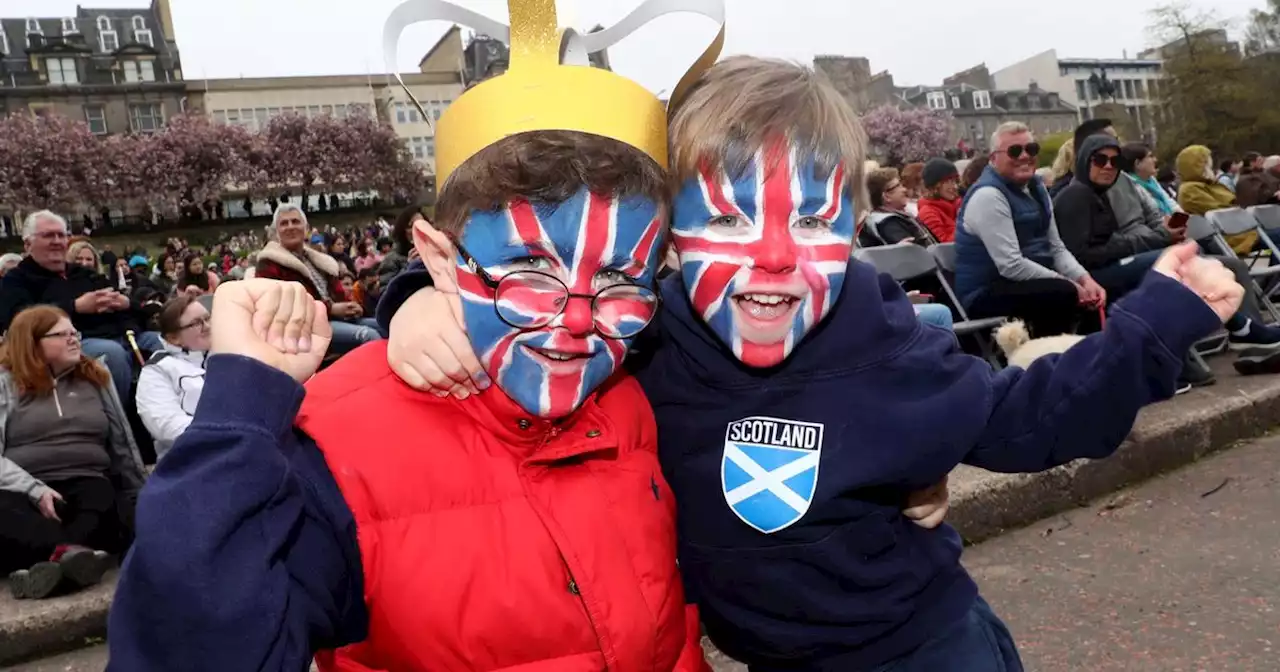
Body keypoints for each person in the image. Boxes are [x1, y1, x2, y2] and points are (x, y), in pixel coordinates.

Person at [378, 55, 1242, 672]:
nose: (778, 259)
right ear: (668, 240)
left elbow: (1034, 416)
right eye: (728, 220)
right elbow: (535, 282)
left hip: (926, 649)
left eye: (817, 225)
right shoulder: (644, 341)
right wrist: (419, 299)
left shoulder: (885, 345)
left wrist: (1157, 321)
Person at [108, 3, 734, 667]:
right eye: (528, 269)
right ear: (439, 258)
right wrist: (240, 418)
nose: (579, 321)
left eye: (616, 278)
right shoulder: (333, 452)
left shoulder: (634, 395)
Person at [1056, 135, 1280, 355]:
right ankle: (1239, 332)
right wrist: (1155, 239)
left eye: (1114, 162)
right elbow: (1083, 254)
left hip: (1114, 263)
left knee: (1222, 264)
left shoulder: (1099, 194)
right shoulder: (1076, 196)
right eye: (1099, 160)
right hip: (1093, 277)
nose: (1107, 166)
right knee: (1171, 262)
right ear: (1085, 161)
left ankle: (1248, 336)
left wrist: (1153, 239)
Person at [0, 306, 146, 599]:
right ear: (32, 341)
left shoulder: (95, 376)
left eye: (74, 332)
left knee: (103, 496)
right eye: (61, 334)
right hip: (24, 492)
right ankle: (73, 559)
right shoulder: (5, 382)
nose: (74, 339)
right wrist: (33, 489)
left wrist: (141, 494)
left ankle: (44, 569)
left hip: (88, 485)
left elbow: (121, 444)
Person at [954, 123, 1104, 337]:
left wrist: (1085, 280)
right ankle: (1050, 360)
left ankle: (1088, 356)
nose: (1025, 156)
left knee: (1092, 292)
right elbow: (1011, 265)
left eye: (1031, 149)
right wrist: (1069, 284)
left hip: (1025, 282)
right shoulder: (989, 196)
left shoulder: (1037, 187)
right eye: (1014, 151)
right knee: (1063, 293)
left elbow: (1056, 248)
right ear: (994, 158)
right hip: (985, 291)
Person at [0, 211, 164, 402]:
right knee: (112, 354)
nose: (57, 241)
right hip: (74, 341)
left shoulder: (85, 274)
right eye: (48, 235)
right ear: (28, 244)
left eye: (61, 235)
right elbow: (18, 320)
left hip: (121, 333)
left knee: (160, 342)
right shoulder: (17, 279)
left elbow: (123, 307)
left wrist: (127, 304)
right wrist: (75, 307)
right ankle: (120, 419)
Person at [254, 204, 382, 355]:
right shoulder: (268, 264)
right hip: (306, 329)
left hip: (336, 319)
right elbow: (281, 306)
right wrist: (331, 309)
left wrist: (351, 306)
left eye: (295, 221)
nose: (290, 227)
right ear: (276, 232)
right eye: (284, 223)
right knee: (369, 336)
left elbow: (339, 296)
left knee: (387, 326)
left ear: (306, 227)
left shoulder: (318, 260)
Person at [135, 297, 210, 460]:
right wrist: (223, 435)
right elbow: (167, 426)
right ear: (174, 338)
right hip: (191, 461)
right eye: (197, 323)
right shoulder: (157, 370)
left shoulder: (229, 355)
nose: (208, 326)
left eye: (208, 318)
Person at [860, 168, 937, 247]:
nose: (904, 189)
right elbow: (910, 255)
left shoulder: (901, 216)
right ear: (886, 196)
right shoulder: (888, 223)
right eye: (897, 186)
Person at [1119, 143, 1179, 216]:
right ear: (1137, 163)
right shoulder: (1129, 188)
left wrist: (1183, 218)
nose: (1155, 160)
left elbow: (1169, 202)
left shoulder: (1151, 180)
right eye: (1150, 156)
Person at [377, 204, 424, 288]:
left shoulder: (433, 252)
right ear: (402, 231)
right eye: (410, 226)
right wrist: (408, 267)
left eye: (422, 224)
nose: (418, 229)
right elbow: (385, 294)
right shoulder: (391, 259)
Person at [916, 158, 962, 243]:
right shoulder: (928, 213)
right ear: (935, 185)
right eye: (948, 182)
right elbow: (943, 246)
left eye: (955, 181)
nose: (955, 187)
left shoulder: (957, 206)